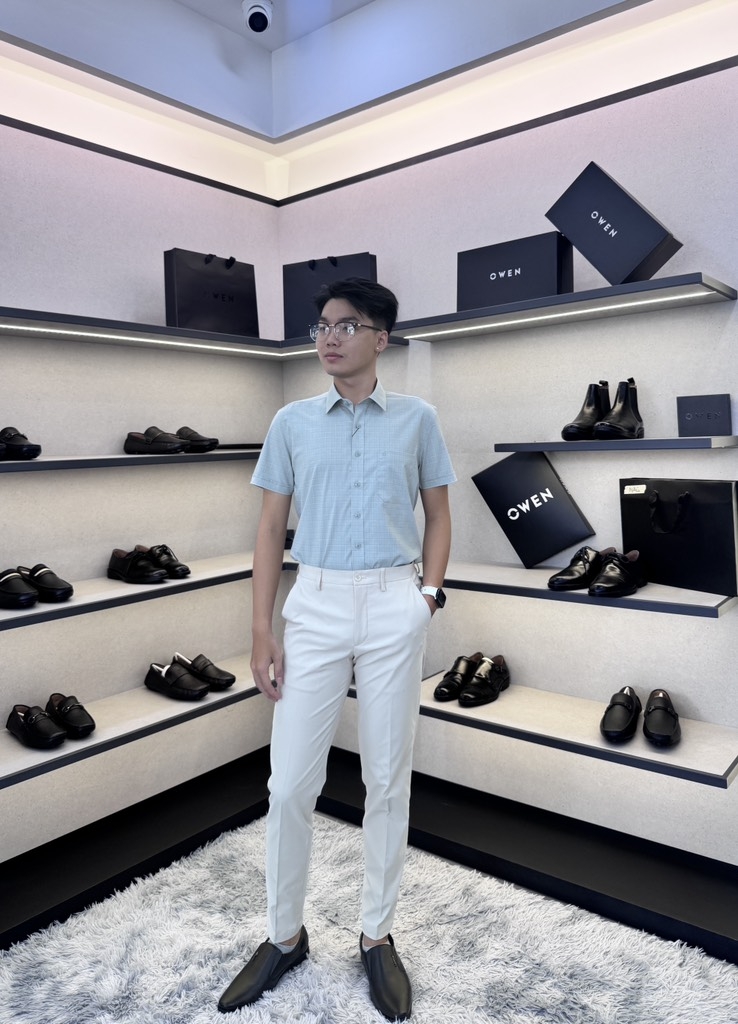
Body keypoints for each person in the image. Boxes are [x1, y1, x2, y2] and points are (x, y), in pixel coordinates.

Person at [218, 277, 455, 1020]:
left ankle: (377, 936)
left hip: (393, 603)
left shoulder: (418, 419)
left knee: (387, 779)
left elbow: (439, 514)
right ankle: (283, 937)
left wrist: (427, 596)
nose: (329, 337)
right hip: (314, 603)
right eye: (322, 325)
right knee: (290, 783)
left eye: (346, 325)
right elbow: (269, 529)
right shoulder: (291, 422)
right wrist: (262, 629)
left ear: (381, 338)